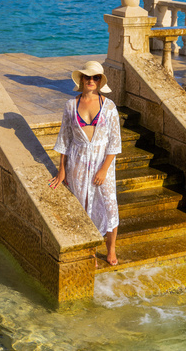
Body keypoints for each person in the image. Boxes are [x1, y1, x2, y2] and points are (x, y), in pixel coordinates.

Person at [49, 61, 121, 266]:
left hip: (102, 162)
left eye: (95, 77)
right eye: (87, 77)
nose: (91, 81)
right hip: (77, 162)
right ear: (81, 80)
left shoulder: (109, 107)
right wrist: (62, 170)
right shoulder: (70, 105)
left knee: (109, 206)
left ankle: (111, 249)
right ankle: (89, 250)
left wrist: (104, 169)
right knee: (82, 206)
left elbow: (115, 142)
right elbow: (64, 139)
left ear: (100, 81)